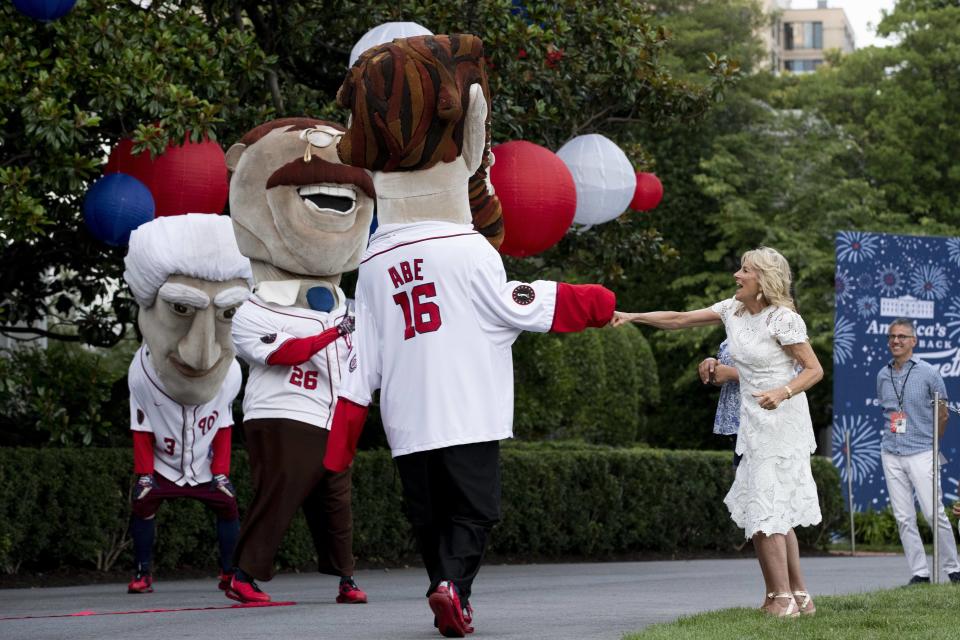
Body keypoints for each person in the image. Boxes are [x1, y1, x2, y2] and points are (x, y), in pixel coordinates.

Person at [323, 34, 616, 638]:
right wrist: (588, 303)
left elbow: (364, 353)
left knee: (427, 514)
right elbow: (517, 305)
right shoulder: (470, 250)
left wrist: (347, 419)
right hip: (467, 411)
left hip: (408, 417)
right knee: (476, 510)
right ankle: (452, 586)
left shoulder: (372, 261)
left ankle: (445, 587)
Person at [613, 246, 823, 617]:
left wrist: (782, 391)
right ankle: (797, 597)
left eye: (744, 271)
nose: (736, 276)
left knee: (766, 505)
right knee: (771, 506)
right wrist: (633, 316)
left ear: (763, 281)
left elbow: (813, 369)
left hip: (781, 420)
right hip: (752, 420)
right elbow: (679, 319)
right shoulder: (732, 310)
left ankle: (782, 599)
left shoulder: (783, 319)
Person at [223, 118, 374, 605]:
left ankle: (346, 577)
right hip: (283, 412)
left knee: (336, 501)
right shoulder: (254, 307)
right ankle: (243, 575)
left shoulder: (347, 306)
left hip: (333, 416)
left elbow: (361, 362)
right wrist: (333, 331)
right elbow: (283, 353)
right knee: (282, 492)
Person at [121, 214, 253, 594]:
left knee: (228, 506)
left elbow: (224, 424)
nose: (202, 355)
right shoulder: (141, 374)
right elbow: (141, 428)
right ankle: (143, 571)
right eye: (180, 308)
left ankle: (230, 570)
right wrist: (145, 474)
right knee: (143, 504)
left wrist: (221, 471)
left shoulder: (230, 375)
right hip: (163, 464)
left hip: (203, 465)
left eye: (229, 312)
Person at [876, 317, 960, 585]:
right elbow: (887, 412)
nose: (896, 341)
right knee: (903, 516)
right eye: (892, 337)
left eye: (902, 336)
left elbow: (943, 413)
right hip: (891, 451)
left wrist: (932, 444)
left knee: (933, 513)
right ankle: (920, 573)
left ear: (914, 341)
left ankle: (953, 568)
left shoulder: (929, 373)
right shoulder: (882, 374)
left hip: (922, 450)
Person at [698, 340, 741, 465]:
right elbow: (724, 373)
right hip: (739, 426)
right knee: (744, 480)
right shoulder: (735, 329)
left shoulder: (779, 325)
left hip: (768, 423)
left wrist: (733, 374)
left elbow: (795, 377)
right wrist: (713, 365)